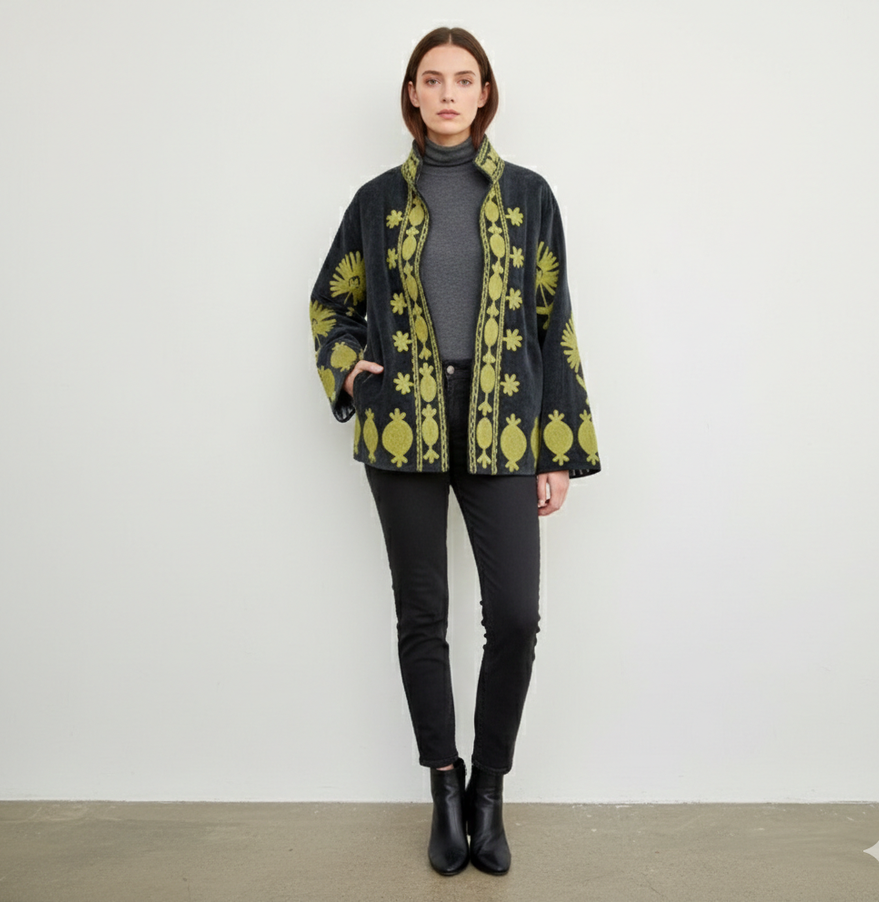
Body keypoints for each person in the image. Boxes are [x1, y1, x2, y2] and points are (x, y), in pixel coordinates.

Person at [310, 26, 600, 877]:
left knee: (513, 617)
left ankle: (489, 792)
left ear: (484, 94)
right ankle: (443, 785)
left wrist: (557, 447)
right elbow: (330, 303)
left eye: (462, 79)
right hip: (403, 425)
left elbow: (554, 323)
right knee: (422, 616)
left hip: (506, 424)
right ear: (412, 94)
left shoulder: (529, 196)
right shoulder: (374, 202)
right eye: (431, 79)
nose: (447, 93)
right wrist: (350, 368)